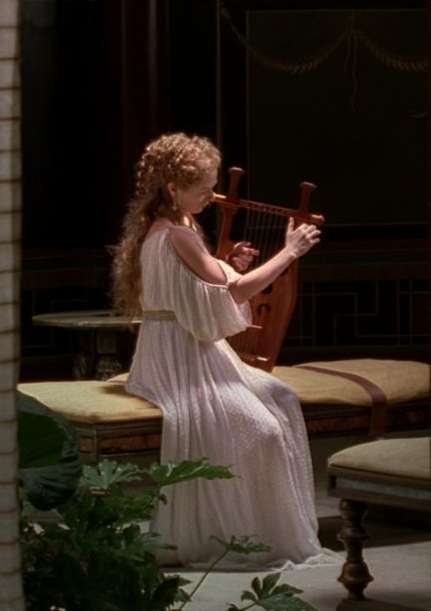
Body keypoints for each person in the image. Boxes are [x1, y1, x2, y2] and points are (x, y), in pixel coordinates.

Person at [111, 132, 336, 570]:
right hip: (177, 357)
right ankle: (239, 532)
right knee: (263, 429)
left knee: (283, 398)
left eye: (213, 185)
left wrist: (229, 260)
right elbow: (234, 292)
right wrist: (290, 252)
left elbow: (206, 282)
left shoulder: (182, 226)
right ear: (172, 189)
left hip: (191, 348)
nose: (212, 196)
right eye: (203, 189)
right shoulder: (177, 233)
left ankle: (262, 523)